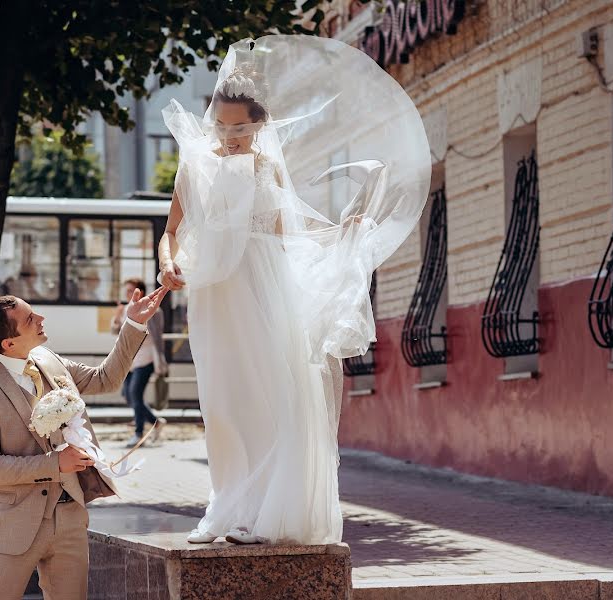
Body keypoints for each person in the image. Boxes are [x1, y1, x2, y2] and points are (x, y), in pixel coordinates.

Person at [158, 36, 430, 546]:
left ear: (261, 125)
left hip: (263, 289)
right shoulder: (195, 165)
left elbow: (288, 236)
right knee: (222, 404)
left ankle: (261, 517)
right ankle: (225, 508)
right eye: (222, 125)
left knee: (269, 400)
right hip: (214, 296)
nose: (231, 135)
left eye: (241, 127)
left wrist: (339, 236)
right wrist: (168, 265)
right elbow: (171, 231)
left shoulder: (268, 168)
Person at [0, 287, 167, 600]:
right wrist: (55, 464)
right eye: (30, 318)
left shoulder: (47, 359)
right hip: (14, 526)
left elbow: (104, 379)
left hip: (70, 518)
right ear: (8, 343)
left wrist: (133, 324)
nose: (41, 318)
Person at [111, 278, 169, 447]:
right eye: (127, 291)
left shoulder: (154, 311)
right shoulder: (125, 310)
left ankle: (139, 433)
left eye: (130, 291)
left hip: (147, 358)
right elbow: (116, 332)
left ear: (140, 292)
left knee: (135, 394)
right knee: (127, 395)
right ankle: (156, 422)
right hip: (130, 360)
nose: (127, 294)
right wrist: (117, 316)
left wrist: (162, 360)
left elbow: (157, 337)